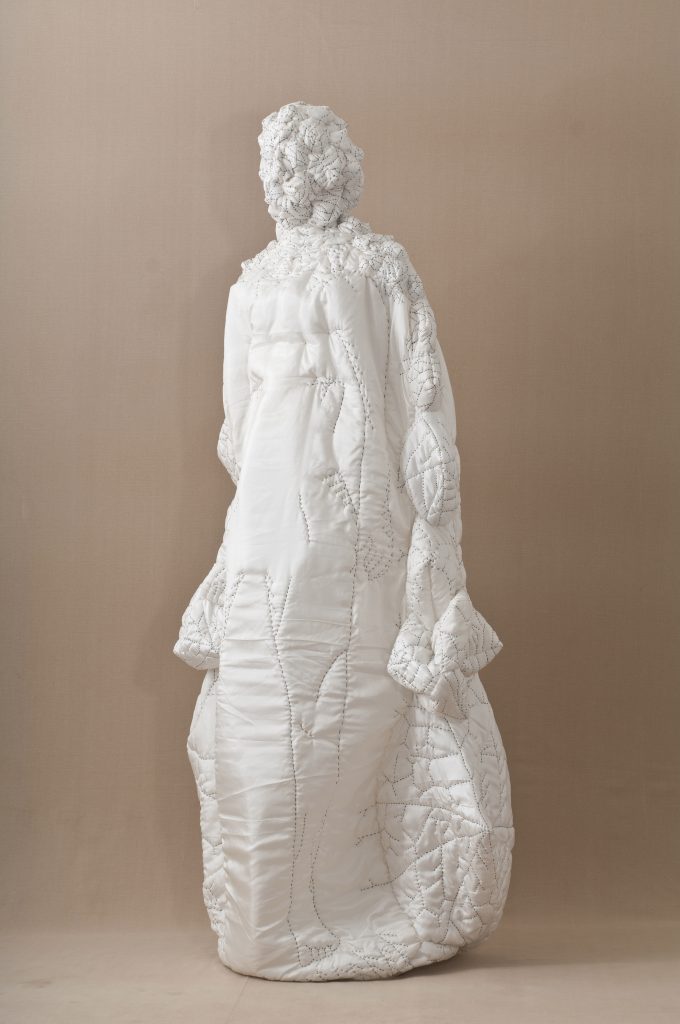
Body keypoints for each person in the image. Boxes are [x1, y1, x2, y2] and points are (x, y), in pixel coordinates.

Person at [173, 100, 514, 981]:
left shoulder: (376, 265)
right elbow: (238, 421)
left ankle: (348, 896)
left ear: (330, 168)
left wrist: (413, 511)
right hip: (274, 514)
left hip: (350, 510)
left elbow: (416, 395)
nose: (284, 179)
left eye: (296, 162)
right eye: (276, 164)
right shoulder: (255, 281)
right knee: (263, 694)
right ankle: (271, 916)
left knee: (351, 688)